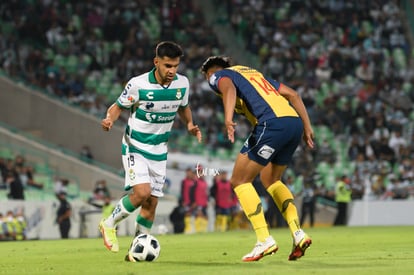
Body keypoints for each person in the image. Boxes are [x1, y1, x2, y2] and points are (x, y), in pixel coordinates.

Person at [200, 56, 314, 262]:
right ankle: (298, 233)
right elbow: (293, 95)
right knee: (271, 180)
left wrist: (227, 119)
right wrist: (307, 127)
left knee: (239, 180)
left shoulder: (218, 75)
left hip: (271, 124)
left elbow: (228, 89)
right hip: (293, 124)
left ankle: (264, 239)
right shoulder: (254, 74)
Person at [99, 41, 202, 259]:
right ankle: (108, 224)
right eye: (167, 66)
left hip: (159, 150)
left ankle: (134, 251)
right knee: (142, 193)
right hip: (135, 146)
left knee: (151, 203)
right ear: (156, 62)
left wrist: (190, 125)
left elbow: (184, 107)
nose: (172, 71)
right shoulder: (138, 84)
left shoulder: (182, 83)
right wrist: (109, 119)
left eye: (175, 66)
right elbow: (118, 106)